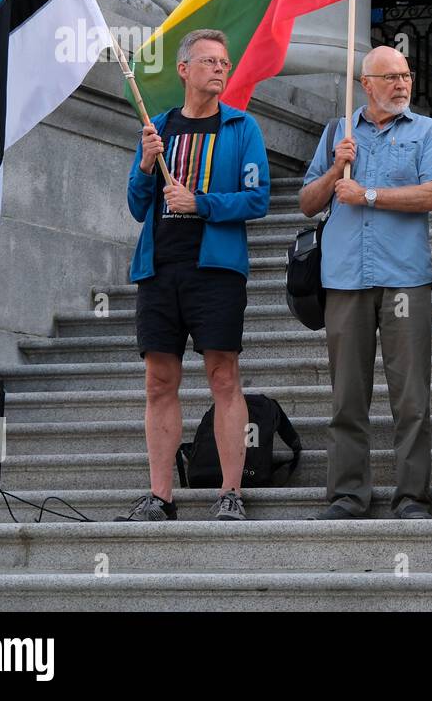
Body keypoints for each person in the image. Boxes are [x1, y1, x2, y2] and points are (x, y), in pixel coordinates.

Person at [117, 28, 271, 521]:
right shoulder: (158, 128)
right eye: (208, 62)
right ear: (184, 69)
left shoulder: (242, 127)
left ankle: (230, 492)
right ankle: (161, 496)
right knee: (159, 381)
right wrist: (145, 165)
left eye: (224, 63)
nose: (220, 69)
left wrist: (199, 203)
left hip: (216, 271)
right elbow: (137, 206)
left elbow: (258, 199)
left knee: (223, 376)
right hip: (160, 268)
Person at [300, 46, 432, 520]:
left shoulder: (428, 131)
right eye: (389, 77)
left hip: (405, 280)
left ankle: (411, 496)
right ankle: (348, 495)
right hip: (344, 279)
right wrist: (334, 169)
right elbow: (308, 203)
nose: (401, 85)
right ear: (365, 84)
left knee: (411, 399)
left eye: (406, 76)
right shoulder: (337, 133)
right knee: (347, 397)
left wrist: (367, 194)